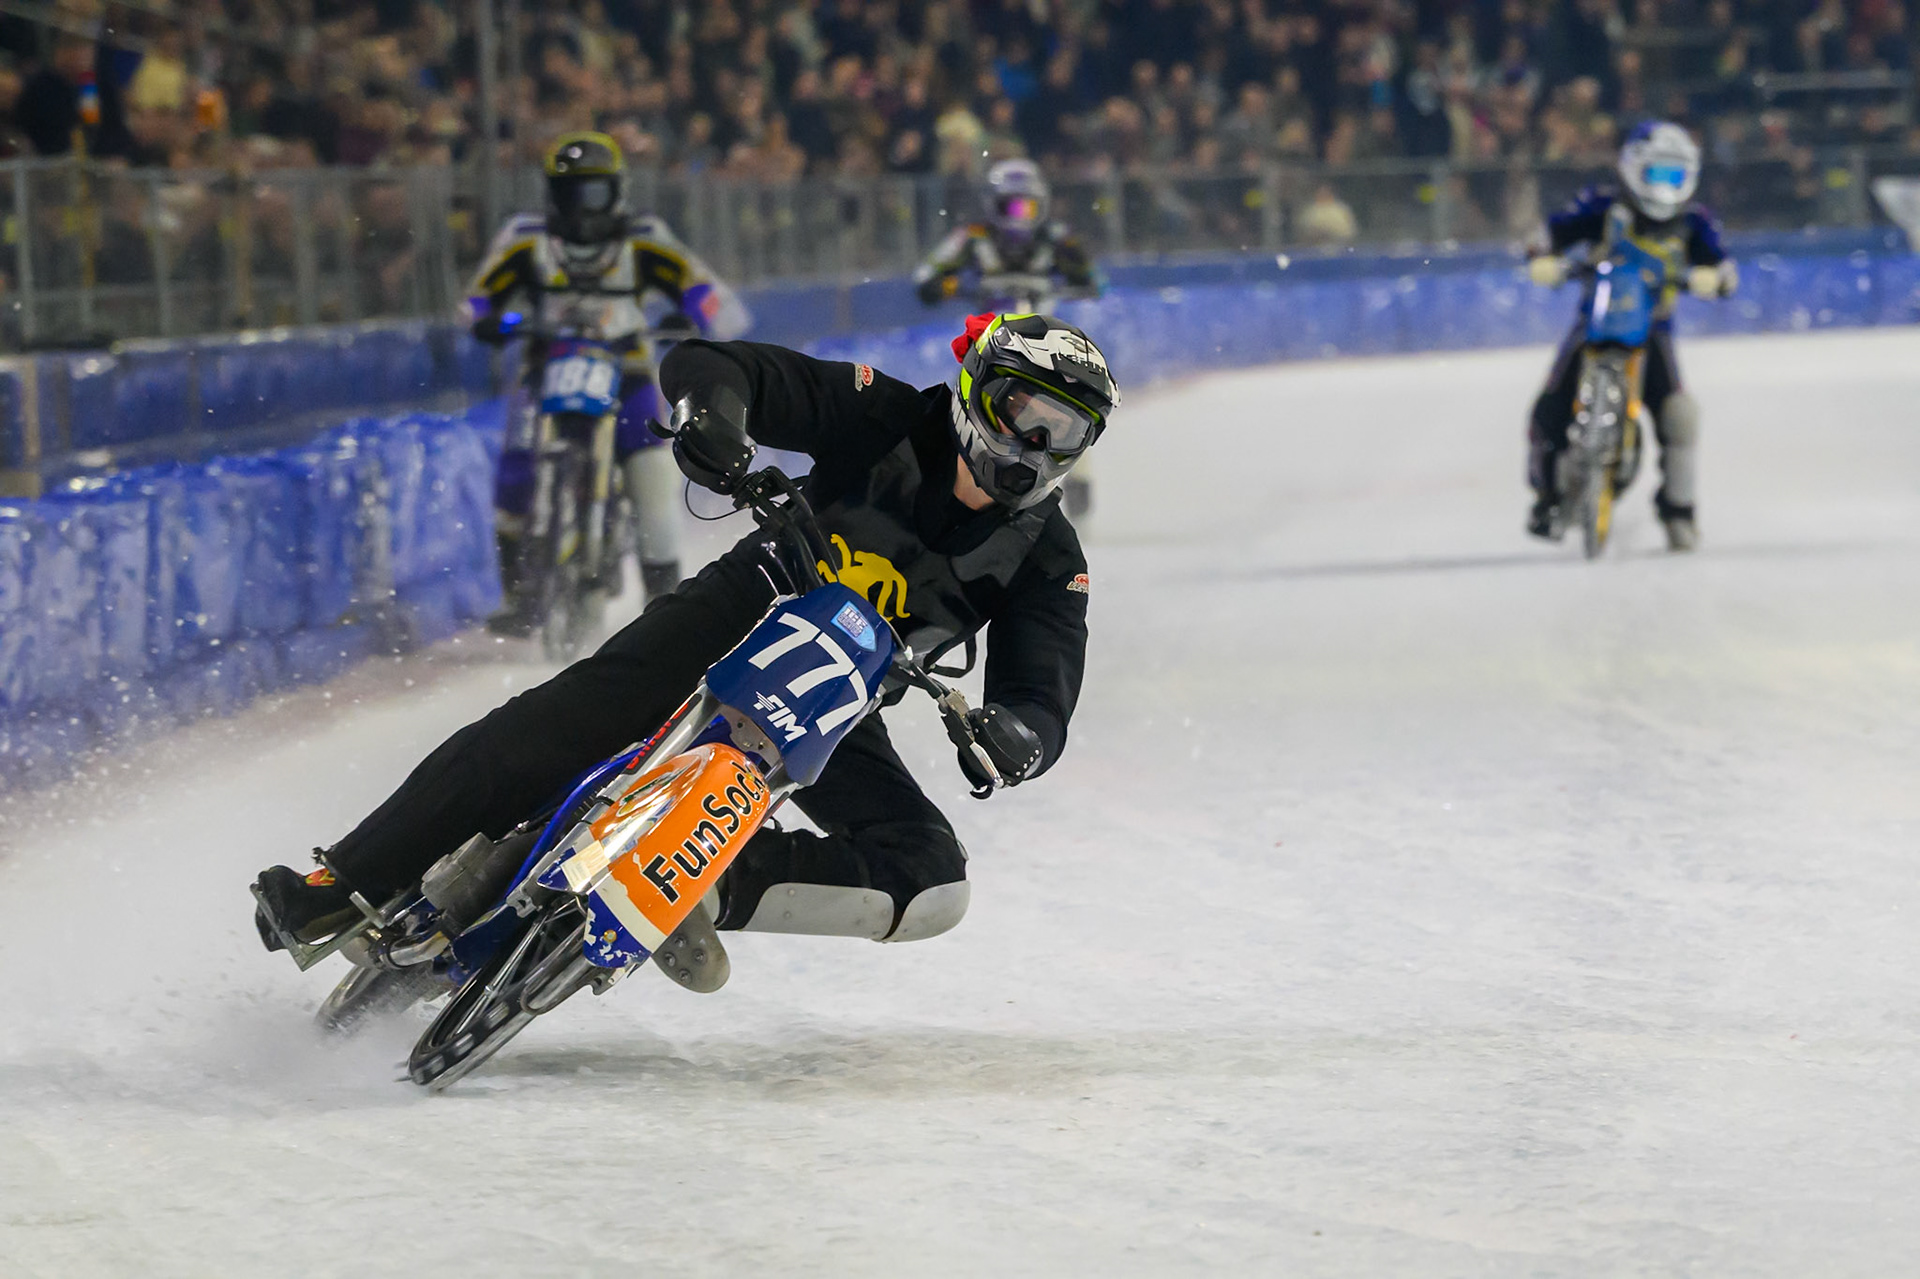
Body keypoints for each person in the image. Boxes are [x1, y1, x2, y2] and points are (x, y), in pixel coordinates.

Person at [252, 312, 1119, 992]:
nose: (1032, 447)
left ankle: (701, 887)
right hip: (743, 610)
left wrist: (1020, 736)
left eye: (1062, 435)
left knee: (933, 884)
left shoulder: (1050, 560)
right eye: (1021, 413)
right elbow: (719, 364)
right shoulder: (885, 410)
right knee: (553, 725)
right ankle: (342, 885)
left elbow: (1043, 689)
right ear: (975, 389)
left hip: (835, 704)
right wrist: (717, 423)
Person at [467, 131, 749, 623]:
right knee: (514, 470)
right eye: (569, 192)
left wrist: (697, 319)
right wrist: (486, 319)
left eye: (592, 192)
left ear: (615, 190)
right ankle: (516, 596)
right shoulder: (525, 237)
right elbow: (476, 298)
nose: (581, 207)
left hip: (627, 373)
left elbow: (706, 292)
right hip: (544, 372)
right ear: (552, 193)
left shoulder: (644, 237)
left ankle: (664, 601)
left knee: (651, 482)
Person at [1524, 121, 1738, 552]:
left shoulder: (1693, 221)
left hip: (1652, 330)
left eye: (1674, 176)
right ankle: (1549, 497)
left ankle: (1679, 511)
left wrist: (1716, 278)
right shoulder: (1603, 206)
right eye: (1658, 174)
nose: (1665, 187)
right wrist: (1542, 255)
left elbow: (1723, 265)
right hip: (1595, 324)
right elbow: (1552, 232)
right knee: (1549, 411)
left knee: (1679, 416)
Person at [912, 159, 1104, 308]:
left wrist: (1075, 291)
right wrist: (947, 288)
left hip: (1045, 328)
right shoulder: (973, 235)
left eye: (1026, 208)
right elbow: (925, 276)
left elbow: (1097, 283)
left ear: (1041, 205)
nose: (1018, 217)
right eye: (1010, 207)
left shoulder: (1057, 237)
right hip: (989, 330)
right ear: (992, 204)